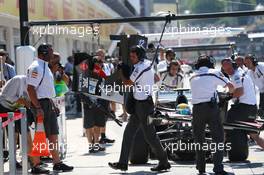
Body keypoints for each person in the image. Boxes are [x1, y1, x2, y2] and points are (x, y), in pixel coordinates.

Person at [109, 45, 170, 172]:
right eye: (130, 56)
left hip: (144, 106)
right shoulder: (148, 64)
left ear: (140, 56)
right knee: (128, 133)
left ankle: (164, 161)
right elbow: (157, 79)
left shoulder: (140, 68)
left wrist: (121, 72)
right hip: (139, 104)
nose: (131, 58)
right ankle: (122, 163)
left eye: (133, 56)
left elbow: (127, 84)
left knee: (150, 136)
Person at [26, 43, 73, 174]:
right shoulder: (36, 67)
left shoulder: (45, 66)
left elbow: (46, 90)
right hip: (40, 104)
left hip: (47, 103)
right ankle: (36, 165)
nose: (53, 55)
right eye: (51, 52)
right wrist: (38, 107)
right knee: (40, 136)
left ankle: (57, 163)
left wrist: (52, 104)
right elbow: (30, 89)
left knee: (53, 135)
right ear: (44, 53)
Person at [190, 55, 233, 175]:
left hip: (197, 109)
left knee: (199, 139)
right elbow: (231, 87)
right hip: (211, 109)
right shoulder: (214, 72)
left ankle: (201, 168)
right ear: (210, 63)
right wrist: (228, 96)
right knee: (218, 138)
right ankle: (218, 168)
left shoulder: (192, 76)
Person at [222, 58, 264, 149]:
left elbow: (240, 92)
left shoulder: (236, 75)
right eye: (225, 70)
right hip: (251, 108)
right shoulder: (241, 72)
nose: (228, 71)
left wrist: (226, 97)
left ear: (233, 65)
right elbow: (235, 89)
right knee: (254, 135)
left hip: (243, 108)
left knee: (224, 123)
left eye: (229, 69)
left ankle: (220, 149)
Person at [0, 75, 34, 168]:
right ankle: (13, 161)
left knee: (23, 134)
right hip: (5, 107)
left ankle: (30, 159)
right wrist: (23, 101)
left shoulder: (32, 86)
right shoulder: (18, 80)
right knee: (13, 136)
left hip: (17, 109)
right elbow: (8, 97)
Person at [96, 49, 115, 144]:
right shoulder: (94, 66)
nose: (101, 57)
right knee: (99, 116)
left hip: (107, 93)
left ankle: (103, 136)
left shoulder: (108, 66)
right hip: (97, 94)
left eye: (102, 55)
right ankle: (98, 137)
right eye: (99, 55)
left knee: (105, 116)